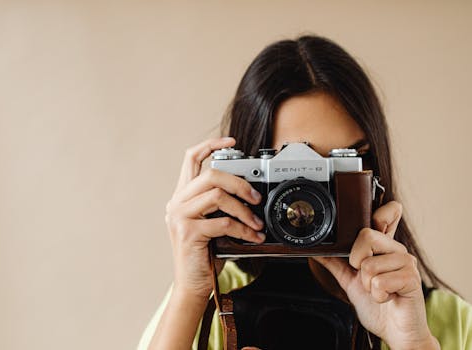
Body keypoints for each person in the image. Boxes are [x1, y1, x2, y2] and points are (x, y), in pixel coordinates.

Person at [138, 35, 472, 349]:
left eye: (339, 163)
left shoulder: (446, 320)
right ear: (246, 176)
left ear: (372, 170)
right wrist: (190, 291)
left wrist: (412, 342)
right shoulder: (212, 303)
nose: (307, 202)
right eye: (290, 171)